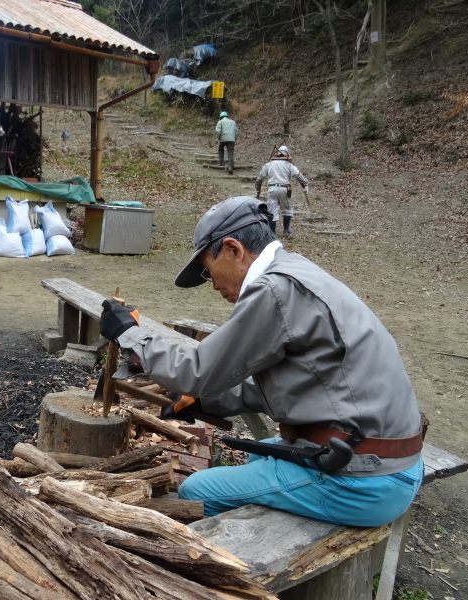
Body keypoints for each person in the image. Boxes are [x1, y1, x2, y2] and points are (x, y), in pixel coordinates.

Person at [99, 196, 425, 527]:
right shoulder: (297, 272)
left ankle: (234, 562)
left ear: (233, 249)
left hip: (364, 481)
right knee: (259, 452)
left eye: (208, 271)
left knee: (198, 491)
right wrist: (203, 399)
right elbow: (292, 379)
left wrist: (131, 336)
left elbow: (195, 371)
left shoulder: (277, 290)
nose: (213, 284)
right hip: (390, 462)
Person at [254, 145, 308, 234]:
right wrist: (304, 183)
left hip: (272, 189)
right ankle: (286, 229)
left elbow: (260, 178)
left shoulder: (269, 164)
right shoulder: (289, 165)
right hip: (284, 189)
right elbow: (298, 176)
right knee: (287, 209)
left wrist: (257, 187)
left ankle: (272, 232)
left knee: (272, 211)